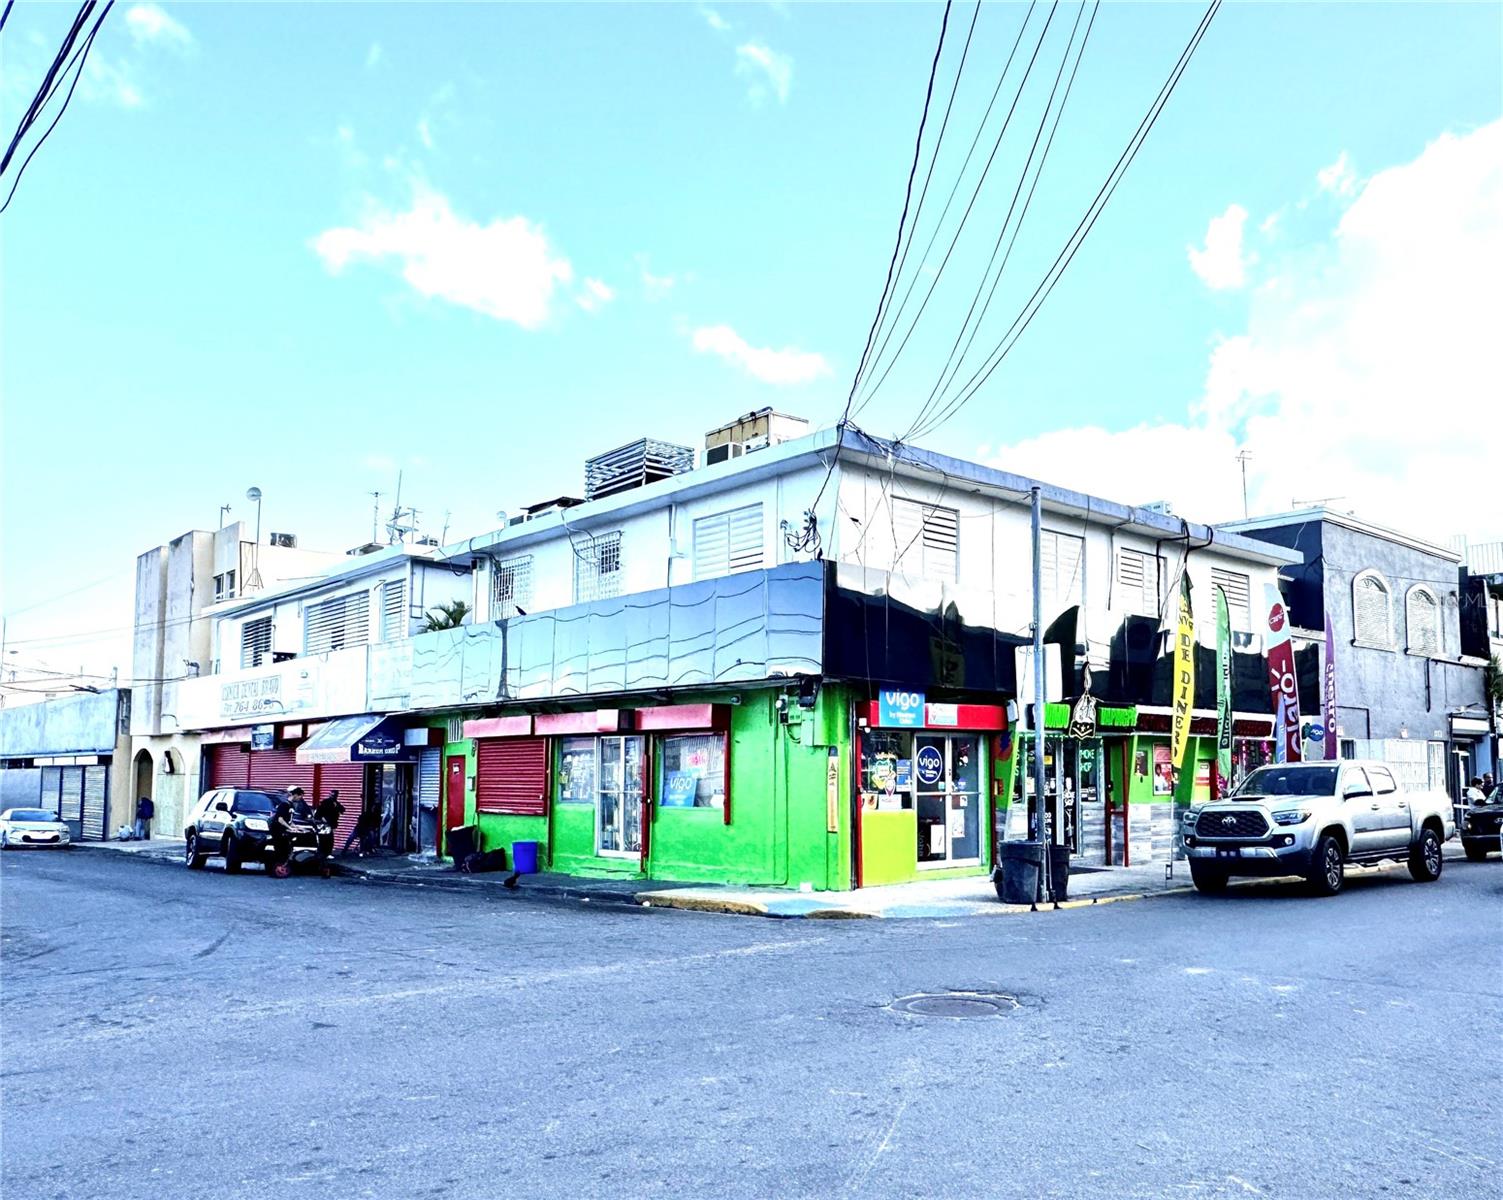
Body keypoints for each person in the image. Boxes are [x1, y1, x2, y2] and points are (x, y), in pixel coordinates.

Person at [314, 789, 345, 860]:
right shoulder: (325, 802)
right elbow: (319, 812)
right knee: (324, 838)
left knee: (329, 839)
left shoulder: (336, 803)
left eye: (333, 795)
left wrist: (336, 806)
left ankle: (326, 853)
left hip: (332, 823)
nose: (332, 796)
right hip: (324, 824)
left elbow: (342, 810)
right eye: (331, 795)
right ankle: (323, 852)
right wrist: (322, 818)